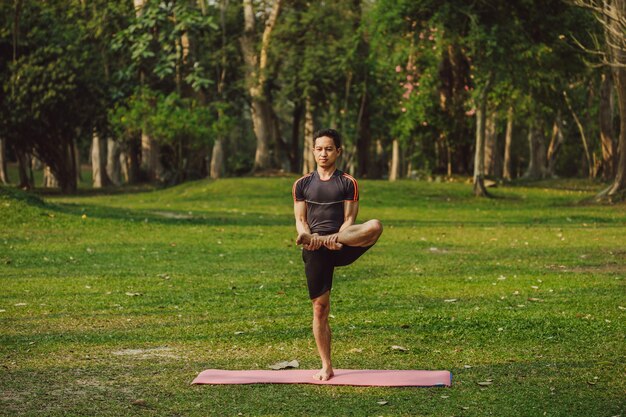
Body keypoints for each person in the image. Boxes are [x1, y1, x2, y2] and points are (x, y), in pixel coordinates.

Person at [292, 128, 383, 381]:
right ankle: (326, 366)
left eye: (329, 149)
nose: (323, 153)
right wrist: (309, 237)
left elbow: (349, 220)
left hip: (341, 243)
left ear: (338, 152)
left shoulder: (348, 182)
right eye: (319, 149)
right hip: (315, 250)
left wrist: (337, 238)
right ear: (313, 151)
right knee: (320, 309)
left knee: (375, 225)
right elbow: (300, 221)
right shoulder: (302, 184)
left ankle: (322, 240)